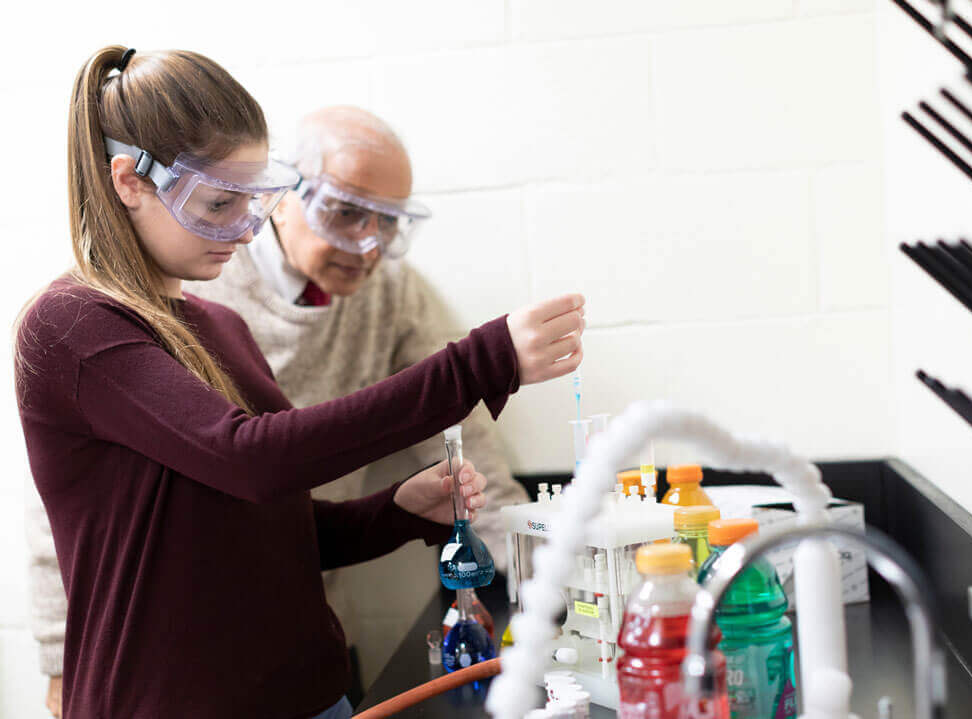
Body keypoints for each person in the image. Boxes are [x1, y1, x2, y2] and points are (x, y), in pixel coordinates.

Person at [15, 45, 584, 719]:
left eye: (253, 199)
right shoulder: (73, 325)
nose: (242, 229)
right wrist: (478, 364)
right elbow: (251, 457)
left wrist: (395, 511)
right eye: (220, 202)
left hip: (314, 696)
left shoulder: (219, 324)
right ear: (129, 182)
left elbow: (274, 520)